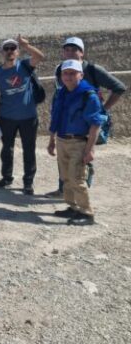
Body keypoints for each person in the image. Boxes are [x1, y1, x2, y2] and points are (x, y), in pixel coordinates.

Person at [46, 36, 126, 197]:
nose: (70, 52)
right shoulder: (60, 68)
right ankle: (64, 190)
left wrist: (102, 110)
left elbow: (119, 87)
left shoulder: (92, 70)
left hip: (85, 125)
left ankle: (79, 195)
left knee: (81, 157)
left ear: (82, 52)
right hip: (65, 122)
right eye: (67, 49)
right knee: (65, 157)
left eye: (74, 49)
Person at [48, 59, 106, 225]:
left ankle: (87, 213)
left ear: (81, 74)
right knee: (66, 176)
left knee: (77, 178)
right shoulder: (62, 93)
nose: (68, 77)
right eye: (65, 73)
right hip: (62, 140)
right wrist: (52, 140)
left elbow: (95, 125)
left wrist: (90, 150)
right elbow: (56, 118)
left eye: (72, 73)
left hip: (78, 142)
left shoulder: (89, 95)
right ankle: (73, 207)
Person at [0, 36, 44, 194]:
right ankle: (7, 177)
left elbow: (39, 57)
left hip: (28, 116)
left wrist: (27, 46)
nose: (9, 51)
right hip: (6, 117)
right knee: (7, 149)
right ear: (1, 52)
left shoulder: (25, 65)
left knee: (29, 149)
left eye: (13, 48)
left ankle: (28, 181)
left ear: (18, 52)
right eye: (6, 49)